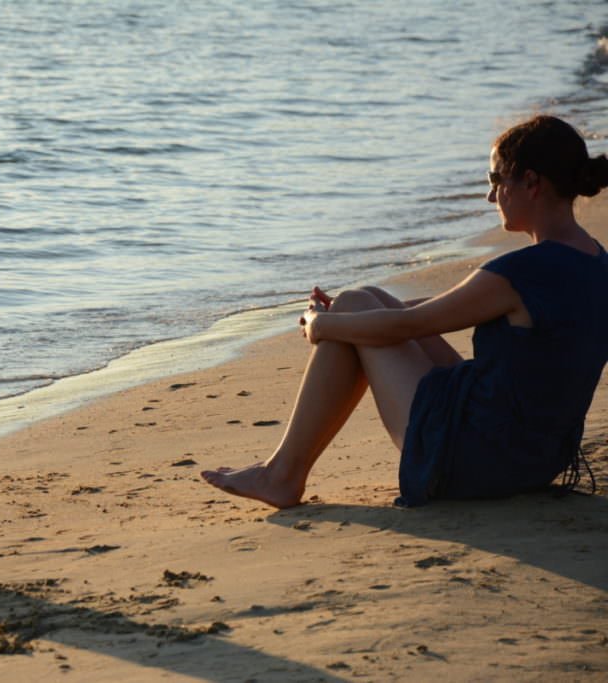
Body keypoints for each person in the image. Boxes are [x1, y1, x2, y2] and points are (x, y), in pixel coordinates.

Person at [202, 115, 608, 509]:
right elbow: (437, 311)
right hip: (536, 458)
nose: (490, 196)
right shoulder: (596, 261)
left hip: (478, 460)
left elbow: (410, 324)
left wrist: (321, 325)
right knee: (365, 302)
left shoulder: (520, 272)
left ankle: (281, 475)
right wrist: (355, 317)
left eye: (495, 180)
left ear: (531, 182)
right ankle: (282, 471)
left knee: (356, 307)